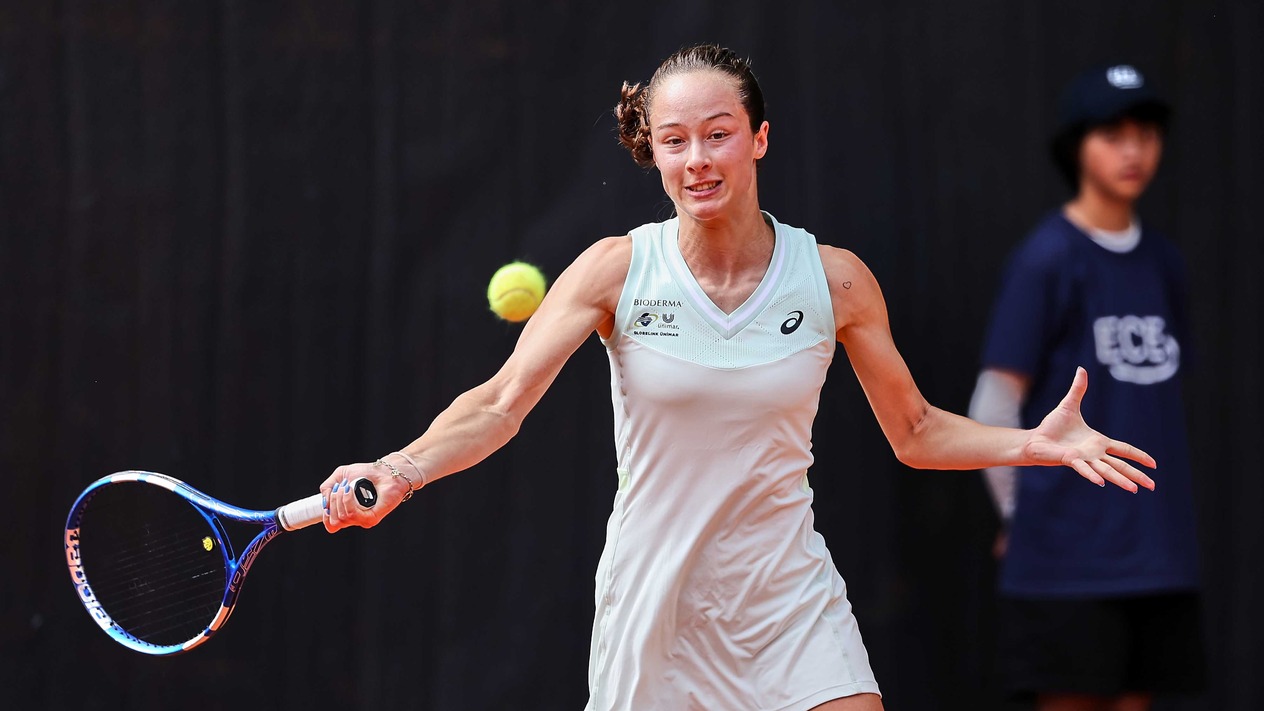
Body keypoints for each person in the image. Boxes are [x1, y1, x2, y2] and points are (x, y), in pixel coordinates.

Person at [322, 45, 1156, 711]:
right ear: (652, 151)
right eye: (674, 140)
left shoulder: (836, 280)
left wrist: (1036, 444)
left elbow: (918, 431)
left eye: (718, 133)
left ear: (758, 138)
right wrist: (399, 469)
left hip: (785, 593)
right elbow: (499, 405)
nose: (697, 160)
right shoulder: (616, 270)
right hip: (655, 603)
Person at [969, 64, 1205, 711]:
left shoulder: (1163, 262)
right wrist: (1019, 511)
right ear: (1078, 145)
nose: (1133, 150)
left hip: (1156, 551)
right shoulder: (1048, 257)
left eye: (1146, 133)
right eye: (1113, 133)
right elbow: (993, 401)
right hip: (1068, 556)